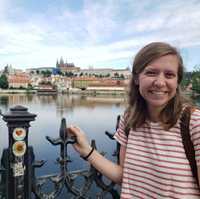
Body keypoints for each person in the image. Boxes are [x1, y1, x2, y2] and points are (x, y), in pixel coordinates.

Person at [68, 42, 200, 198]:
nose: (159, 82)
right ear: (137, 78)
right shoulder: (130, 120)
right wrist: (86, 150)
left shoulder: (194, 123)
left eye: (169, 75)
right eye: (151, 73)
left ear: (177, 81)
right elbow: (124, 177)